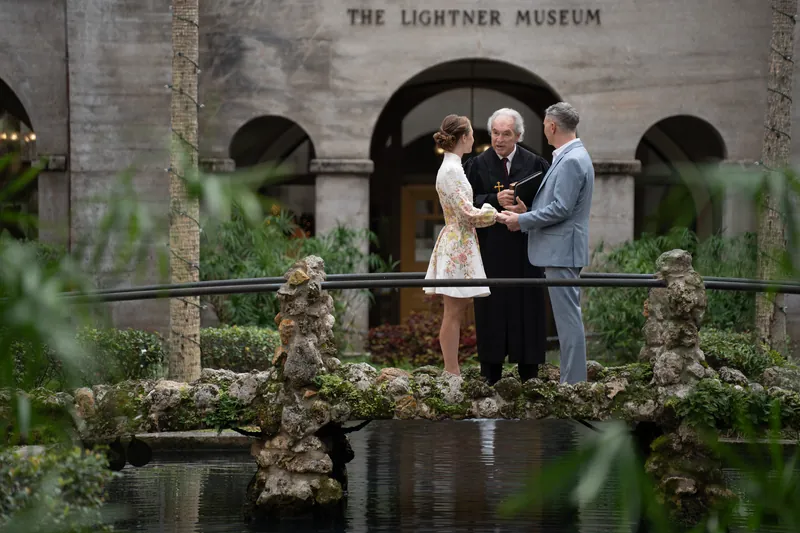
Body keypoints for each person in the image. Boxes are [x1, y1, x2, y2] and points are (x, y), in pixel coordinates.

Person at [496, 102, 594, 384]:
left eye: (544, 126)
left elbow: (561, 209)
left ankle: (573, 384)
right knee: (567, 320)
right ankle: (571, 380)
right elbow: (562, 207)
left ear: (552, 126)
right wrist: (528, 213)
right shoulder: (571, 156)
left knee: (568, 321)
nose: (544, 131)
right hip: (560, 249)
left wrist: (521, 222)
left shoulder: (572, 159)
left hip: (561, 252)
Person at [464, 108, 550, 385]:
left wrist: (526, 211)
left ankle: (530, 374)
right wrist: (493, 197)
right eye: (495, 133)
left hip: (525, 251)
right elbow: (465, 202)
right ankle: (490, 374)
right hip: (491, 250)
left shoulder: (536, 163)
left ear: (518, 136)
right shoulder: (477, 164)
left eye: (506, 134)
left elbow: (550, 206)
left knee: (528, 308)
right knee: (492, 310)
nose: (499, 140)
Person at [424, 114, 498, 376]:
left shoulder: (452, 167)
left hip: (459, 239)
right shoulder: (453, 170)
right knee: (453, 311)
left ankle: (452, 369)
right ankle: (451, 370)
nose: (474, 139)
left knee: (456, 310)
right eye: (472, 135)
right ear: (464, 138)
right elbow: (467, 213)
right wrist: (496, 214)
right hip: (458, 240)